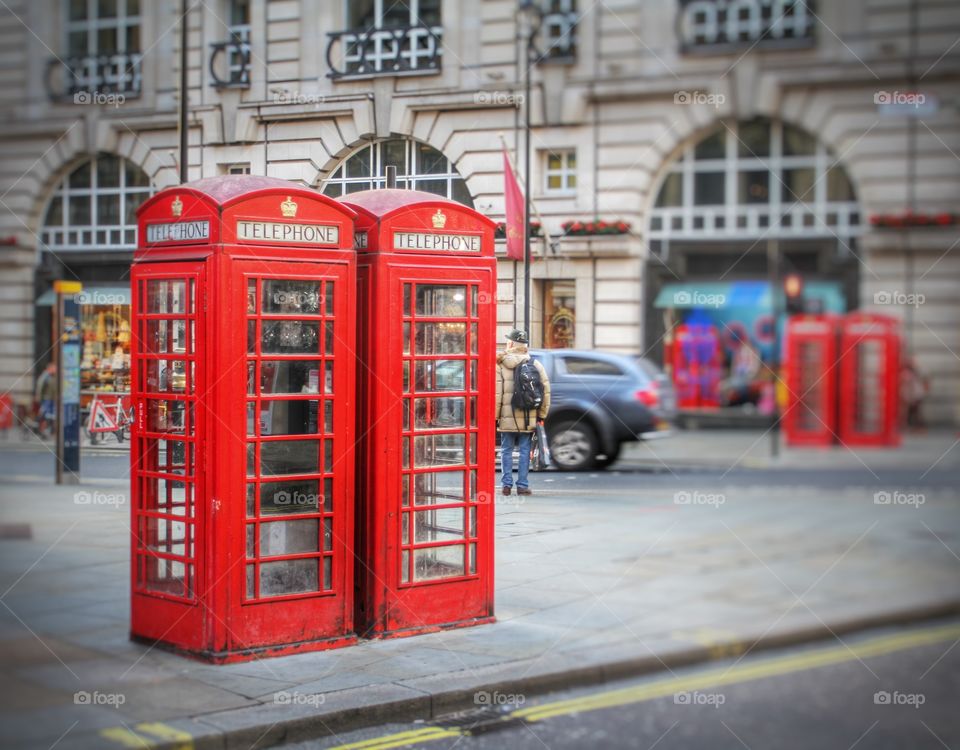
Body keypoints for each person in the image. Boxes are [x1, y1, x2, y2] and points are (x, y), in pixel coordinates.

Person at [495, 329, 550, 496]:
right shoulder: (535, 364)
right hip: (528, 415)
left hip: (507, 416)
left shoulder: (500, 364)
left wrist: (495, 417)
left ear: (511, 343)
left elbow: (497, 393)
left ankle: (506, 485)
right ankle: (522, 486)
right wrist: (542, 415)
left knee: (506, 450)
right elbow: (546, 391)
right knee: (525, 450)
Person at [35, 361, 57, 437]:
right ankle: (38, 427)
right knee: (44, 413)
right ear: (50, 368)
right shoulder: (46, 376)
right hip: (46, 398)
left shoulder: (54, 376)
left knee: (51, 414)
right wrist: (39, 397)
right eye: (54, 368)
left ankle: (51, 429)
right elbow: (40, 387)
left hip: (53, 398)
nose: (55, 369)